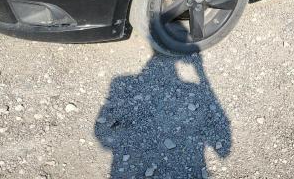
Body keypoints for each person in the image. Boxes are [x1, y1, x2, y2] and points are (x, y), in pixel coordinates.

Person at [95, 53, 231, 178]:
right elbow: (224, 148)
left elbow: (103, 136)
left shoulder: (121, 83)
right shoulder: (192, 89)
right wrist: (200, 71)